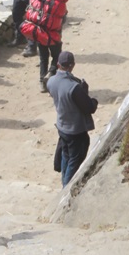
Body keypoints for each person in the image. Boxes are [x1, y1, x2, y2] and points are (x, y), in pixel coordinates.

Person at [47, 50, 98, 187]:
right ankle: (66, 188)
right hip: (75, 130)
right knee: (74, 161)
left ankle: (64, 180)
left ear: (58, 65)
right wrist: (90, 97)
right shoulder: (74, 87)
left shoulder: (51, 81)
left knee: (66, 155)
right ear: (72, 65)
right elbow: (89, 108)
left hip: (62, 126)